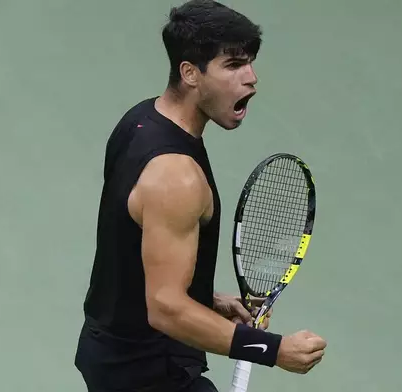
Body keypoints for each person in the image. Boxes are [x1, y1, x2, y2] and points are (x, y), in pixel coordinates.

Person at [74, 1, 327, 391]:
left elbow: (132, 257)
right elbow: (167, 309)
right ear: (190, 73)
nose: (251, 78)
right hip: (149, 374)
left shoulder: (140, 121)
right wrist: (273, 350)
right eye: (233, 65)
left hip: (109, 352)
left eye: (250, 63)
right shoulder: (177, 177)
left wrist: (206, 299)